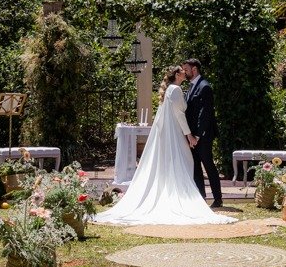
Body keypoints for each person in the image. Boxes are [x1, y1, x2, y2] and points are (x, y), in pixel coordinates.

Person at [92, 65, 234, 226]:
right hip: (177, 133)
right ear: (177, 74)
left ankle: (194, 196)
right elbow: (180, 114)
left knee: (184, 162)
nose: (185, 72)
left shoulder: (173, 89)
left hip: (175, 132)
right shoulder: (175, 90)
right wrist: (189, 135)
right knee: (183, 162)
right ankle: (184, 196)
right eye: (182, 70)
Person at [182, 58, 222, 208]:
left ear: (194, 70)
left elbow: (205, 114)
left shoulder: (205, 87)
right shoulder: (191, 86)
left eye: (186, 70)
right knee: (196, 166)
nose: (184, 72)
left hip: (203, 136)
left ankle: (218, 198)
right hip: (192, 136)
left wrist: (198, 135)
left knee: (208, 165)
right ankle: (201, 197)